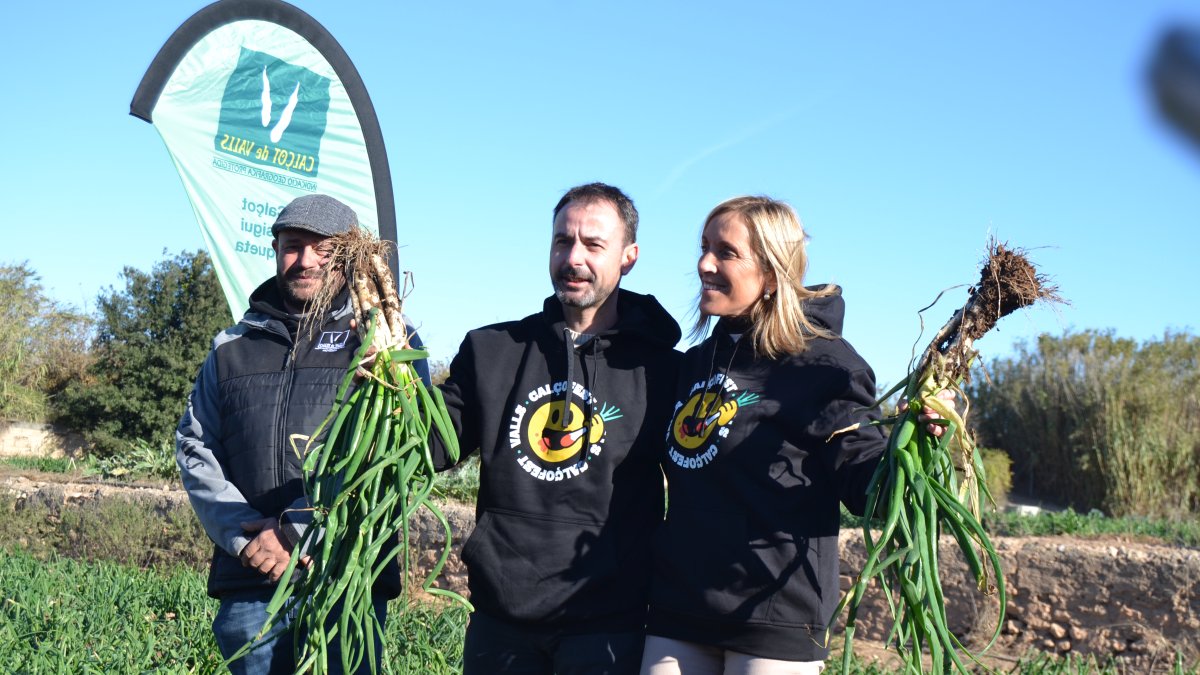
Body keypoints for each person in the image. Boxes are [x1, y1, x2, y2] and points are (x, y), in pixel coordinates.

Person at [640, 196, 948, 675]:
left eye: (726, 252)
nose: (704, 264)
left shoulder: (825, 364)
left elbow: (865, 482)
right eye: (703, 248)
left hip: (773, 616)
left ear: (771, 270)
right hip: (680, 608)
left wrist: (910, 448)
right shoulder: (696, 363)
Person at [430, 183, 681, 674]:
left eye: (593, 244)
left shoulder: (663, 372)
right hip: (502, 619)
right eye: (563, 241)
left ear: (628, 257)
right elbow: (431, 444)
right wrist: (388, 389)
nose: (574, 258)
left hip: (609, 624)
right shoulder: (491, 351)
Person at [176, 193, 426, 674]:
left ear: (349, 255)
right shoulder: (232, 345)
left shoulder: (382, 338)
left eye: (323, 248)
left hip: (344, 580)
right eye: (292, 245)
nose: (305, 260)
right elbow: (195, 445)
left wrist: (295, 532)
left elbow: (395, 454)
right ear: (275, 250)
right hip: (252, 583)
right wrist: (244, 539)